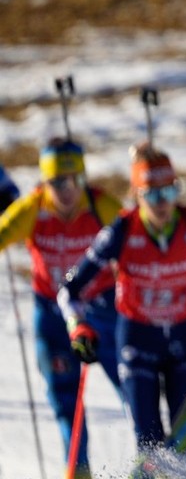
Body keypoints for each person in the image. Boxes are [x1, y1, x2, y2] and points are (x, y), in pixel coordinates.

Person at [58, 142, 186, 475]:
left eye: (169, 191)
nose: (163, 202)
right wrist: (77, 327)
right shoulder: (121, 231)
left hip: (183, 336)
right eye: (152, 194)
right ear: (137, 194)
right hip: (137, 339)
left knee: (183, 439)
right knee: (149, 447)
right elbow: (69, 291)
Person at [0, 139, 123, 479]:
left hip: (103, 311)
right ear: (44, 182)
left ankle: (155, 462)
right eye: (56, 182)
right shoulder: (31, 209)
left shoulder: (103, 206)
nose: (66, 191)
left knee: (134, 390)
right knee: (65, 398)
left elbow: (137, 239)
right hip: (52, 315)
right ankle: (78, 471)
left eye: (74, 180)